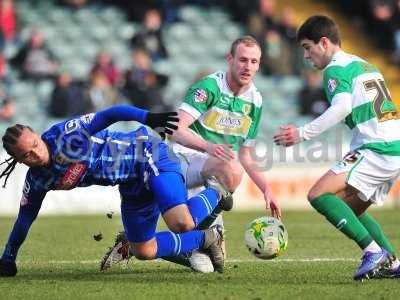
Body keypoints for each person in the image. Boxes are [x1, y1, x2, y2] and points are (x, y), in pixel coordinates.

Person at [101, 35, 281, 273]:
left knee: (208, 266)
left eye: (254, 62)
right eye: (243, 60)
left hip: (209, 173)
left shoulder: (255, 100)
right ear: (230, 59)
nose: (248, 67)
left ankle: (134, 245)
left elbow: (246, 153)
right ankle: (201, 233)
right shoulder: (209, 88)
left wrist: (266, 189)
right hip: (181, 162)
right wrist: (208, 147)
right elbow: (175, 130)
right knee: (231, 168)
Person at [0, 104, 230, 277]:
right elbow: (25, 219)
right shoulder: (38, 180)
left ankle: (215, 191)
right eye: (27, 155)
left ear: (38, 136)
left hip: (148, 154)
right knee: (144, 251)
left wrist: (148, 117)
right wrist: (8, 258)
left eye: (35, 145)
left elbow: (110, 114)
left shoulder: (65, 135)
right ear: (19, 161)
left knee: (182, 224)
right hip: (131, 184)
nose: (36, 153)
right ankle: (210, 237)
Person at [273, 15, 400, 280]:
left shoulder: (335, 68)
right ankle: (393, 263)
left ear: (323, 43)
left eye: (308, 48)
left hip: (377, 147)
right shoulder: (365, 65)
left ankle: (372, 252)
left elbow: (341, 107)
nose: (307, 56)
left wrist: (301, 134)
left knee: (318, 194)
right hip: (392, 145)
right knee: (351, 209)